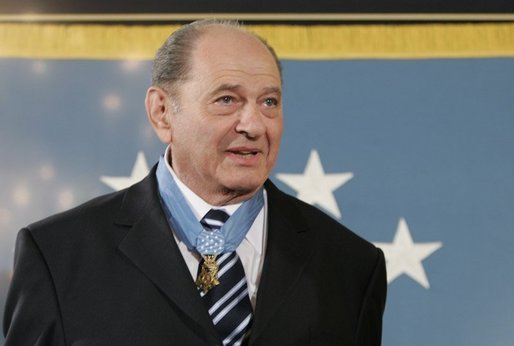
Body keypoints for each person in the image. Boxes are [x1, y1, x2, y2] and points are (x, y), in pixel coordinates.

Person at [3, 20, 386, 345]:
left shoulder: (350, 266)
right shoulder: (58, 256)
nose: (253, 125)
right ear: (162, 112)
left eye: (269, 102)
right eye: (226, 99)